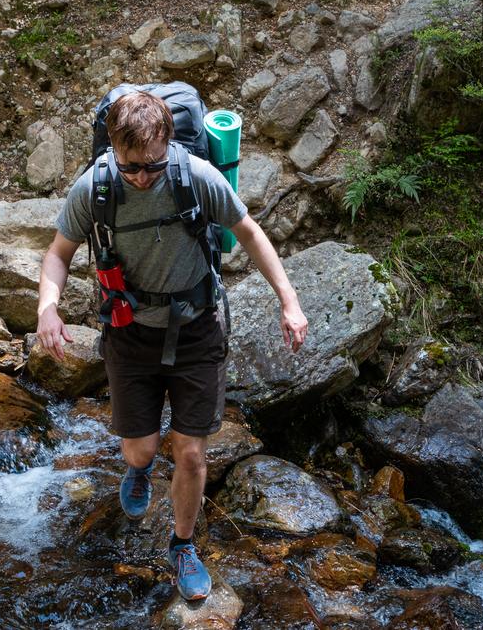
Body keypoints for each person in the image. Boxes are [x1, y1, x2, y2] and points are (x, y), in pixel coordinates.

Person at [35, 91, 308, 601]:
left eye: (153, 166)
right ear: (114, 147)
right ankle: (137, 471)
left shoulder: (195, 177)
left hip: (196, 331)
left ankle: (182, 546)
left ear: (167, 144)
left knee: (189, 453)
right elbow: (57, 254)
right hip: (130, 334)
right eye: (131, 166)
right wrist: (46, 308)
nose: (142, 177)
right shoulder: (93, 189)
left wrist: (288, 300)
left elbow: (247, 232)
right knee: (139, 449)